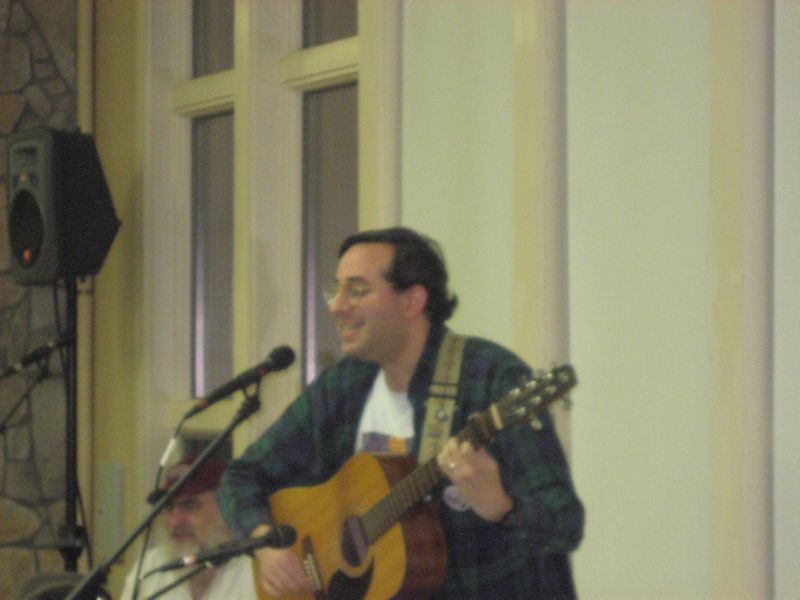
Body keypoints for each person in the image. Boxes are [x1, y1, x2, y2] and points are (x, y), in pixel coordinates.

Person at [217, 227, 584, 599]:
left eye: (357, 290)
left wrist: (503, 508)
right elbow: (243, 476)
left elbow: (565, 523)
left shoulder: (490, 377)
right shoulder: (343, 386)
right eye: (336, 290)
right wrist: (264, 541)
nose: (337, 306)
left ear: (412, 301)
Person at [120, 456, 258, 600]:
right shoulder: (149, 569)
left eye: (189, 506)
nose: (174, 521)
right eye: (168, 507)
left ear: (226, 508)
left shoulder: (255, 571)